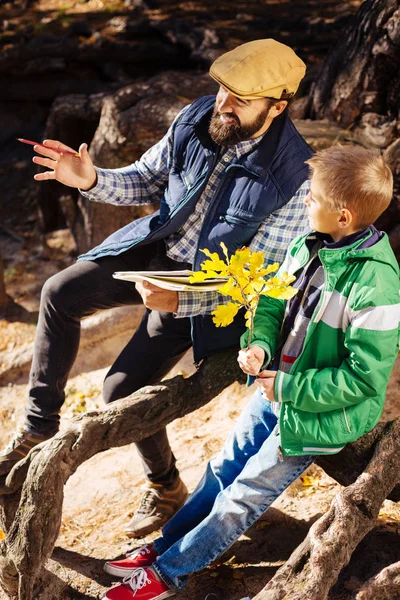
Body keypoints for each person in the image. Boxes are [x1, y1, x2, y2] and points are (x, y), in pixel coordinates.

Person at [0, 39, 313, 537]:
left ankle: (166, 486)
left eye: (241, 99)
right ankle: (38, 427)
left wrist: (182, 300)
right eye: (221, 90)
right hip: (156, 249)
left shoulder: (297, 179)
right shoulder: (196, 117)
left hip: (209, 292)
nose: (223, 105)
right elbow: (147, 178)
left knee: (118, 390)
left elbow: (262, 284)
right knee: (59, 292)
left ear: (278, 106)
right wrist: (90, 179)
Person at [100, 145, 400, 600]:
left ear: (342, 216)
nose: (304, 202)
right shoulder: (310, 242)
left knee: (243, 494)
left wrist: (286, 385)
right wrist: (259, 343)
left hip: (319, 415)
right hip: (274, 387)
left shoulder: (376, 283)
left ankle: (168, 573)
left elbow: (364, 380)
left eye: (312, 198)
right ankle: (164, 547)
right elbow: (273, 300)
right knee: (221, 470)